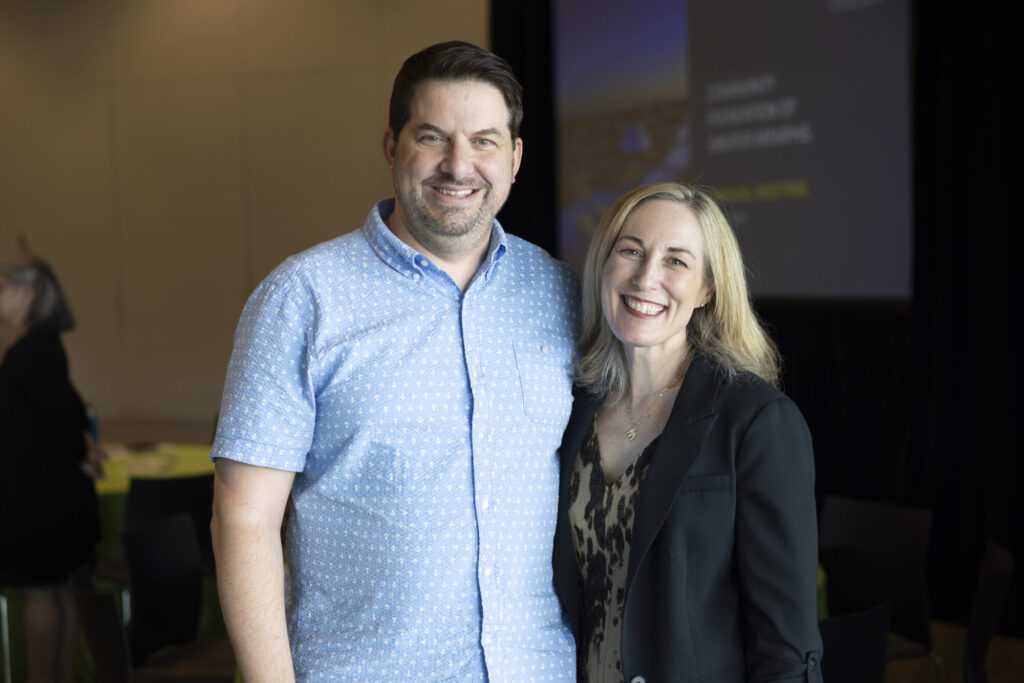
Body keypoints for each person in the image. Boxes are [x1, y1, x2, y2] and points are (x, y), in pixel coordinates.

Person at [210, 41, 579, 681]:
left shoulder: (562, 295)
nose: (459, 165)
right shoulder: (301, 299)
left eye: (485, 141)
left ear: (516, 159)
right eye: (432, 137)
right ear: (391, 148)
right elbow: (243, 517)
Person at [551, 182, 823, 682]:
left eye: (676, 261)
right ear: (604, 264)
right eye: (631, 250)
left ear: (707, 289)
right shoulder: (569, 409)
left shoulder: (757, 421)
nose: (646, 276)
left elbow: (787, 644)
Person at [0, 256, 103, 683]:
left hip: (40, 501)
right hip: (55, 498)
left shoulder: (34, 350)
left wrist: (82, 448)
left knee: (44, 595)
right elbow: (71, 415)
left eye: (2, 287)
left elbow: (63, 420)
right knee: (60, 593)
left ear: (29, 294)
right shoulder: (41, 347)